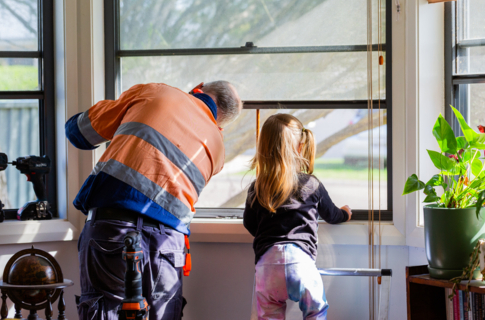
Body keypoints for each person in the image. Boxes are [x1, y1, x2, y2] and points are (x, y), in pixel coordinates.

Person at [65, 81, 242, 319]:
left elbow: (79, 134)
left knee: (105, 310)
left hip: (114, 228)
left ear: (199, 87)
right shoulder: (217, 148)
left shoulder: (157, 92)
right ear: (220, 124)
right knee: (164, 313)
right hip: (169, 244)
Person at [243, 113, 352, 320]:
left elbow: (249, 224)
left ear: (263, 148)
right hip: (301, 265)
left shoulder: (257, 187)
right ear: (301, 147)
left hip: (267, 267)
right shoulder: (311, 184)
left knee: (267, 316)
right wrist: (345, 214)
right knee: (315, 311)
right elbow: (332, 214)